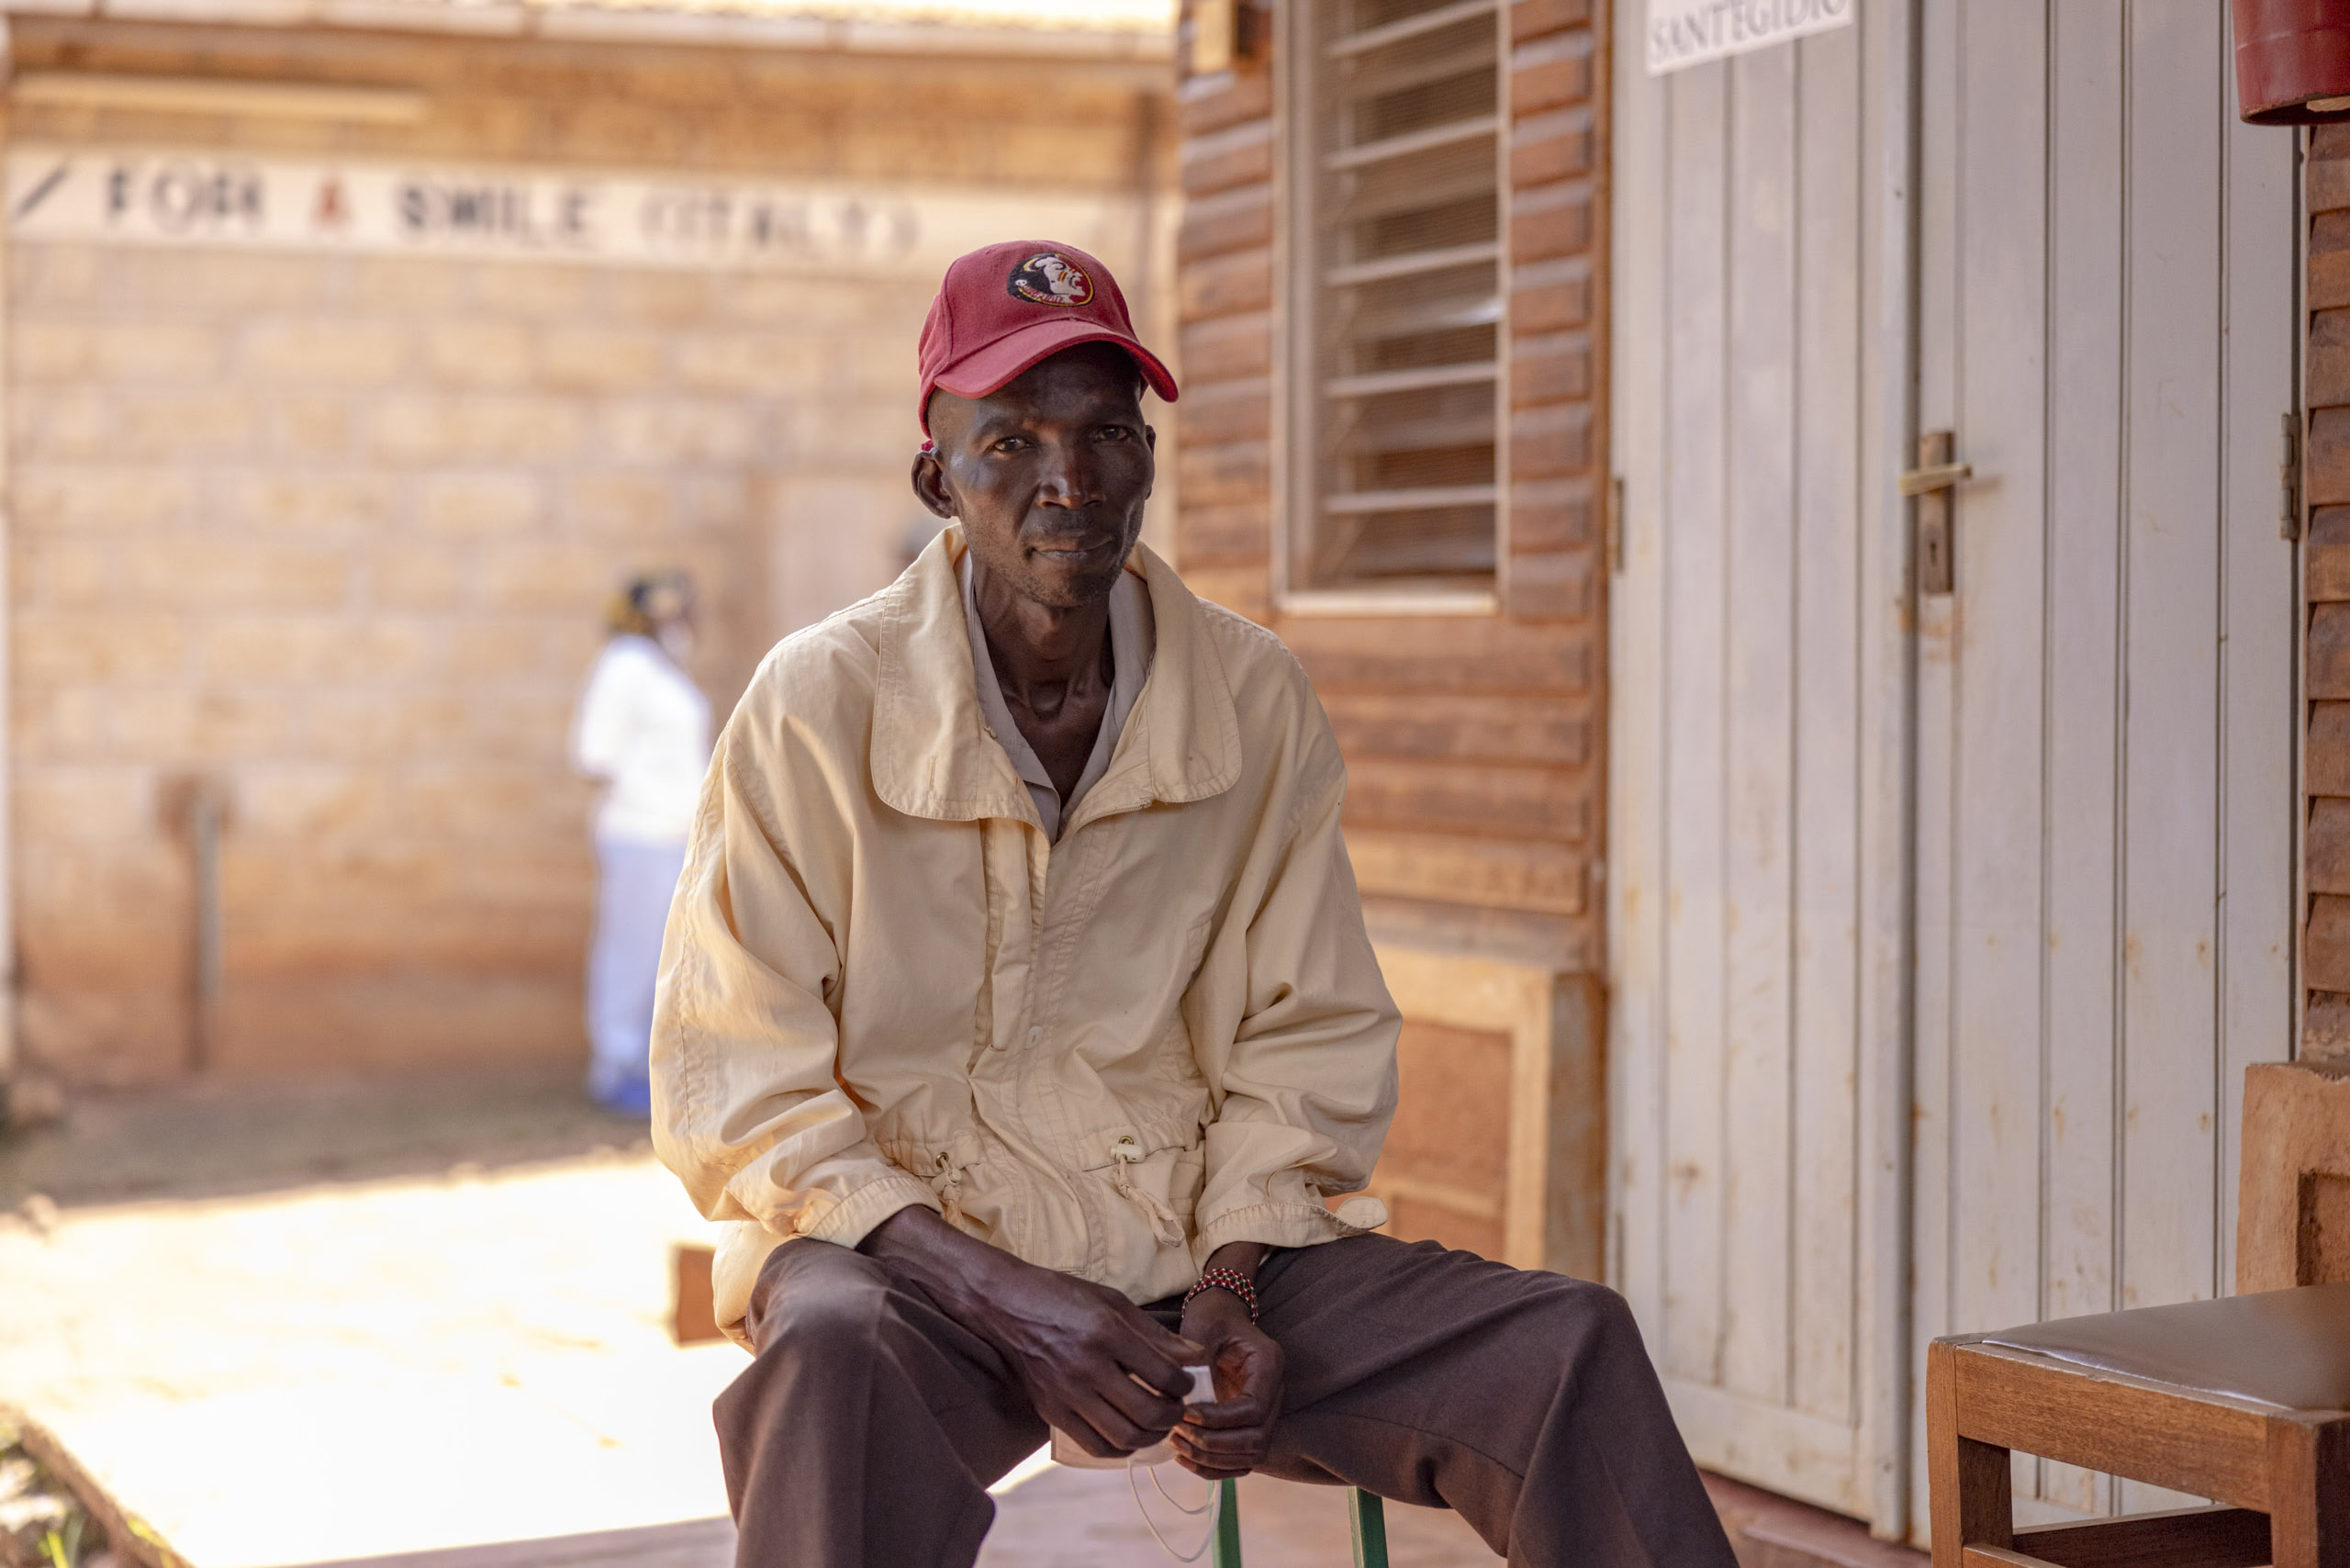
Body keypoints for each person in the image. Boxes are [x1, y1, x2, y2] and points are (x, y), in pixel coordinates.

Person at [652, 241, 1738, 1568]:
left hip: (1194, 1242)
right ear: (939, 476)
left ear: (1150, 458)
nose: (1071, 480)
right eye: (1013, 442)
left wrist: (1230, 1285)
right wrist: (1006, 1294)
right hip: (911, 1263)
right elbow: (738, 1083)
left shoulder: (1251, 696)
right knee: (826, 1357)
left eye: (1110, 433)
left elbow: (1307, 1034)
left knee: (1564, 1349)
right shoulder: (815, 706)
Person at [572, 571, 710, 1114]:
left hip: (674, 837)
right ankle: (616, 1066)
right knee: (632, 952)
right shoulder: (626, 665)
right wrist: (651, 799)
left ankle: (653, 1070)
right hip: (639, 834)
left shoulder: (660, 670)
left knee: (665, 955)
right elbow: (594, 756)